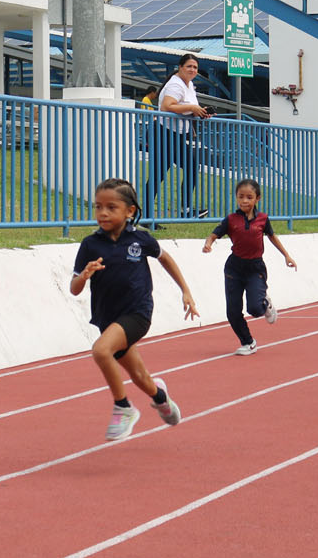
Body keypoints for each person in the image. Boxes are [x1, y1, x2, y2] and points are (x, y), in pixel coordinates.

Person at [71, 178, 198, 441]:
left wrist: (185, 291)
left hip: (138, 313)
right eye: (98, 207)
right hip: (108, 318)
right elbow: (74, 288)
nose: (102, 213)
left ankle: (124, 407)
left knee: (101, 350)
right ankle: (160, 398)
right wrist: (84, 275)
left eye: (111, 207)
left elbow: (166, 259)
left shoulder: (141, 239)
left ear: (129, 211)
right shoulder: (90, 244)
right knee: (139, 375)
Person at [202, 178, 297, 355]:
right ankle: (248, 342)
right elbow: (214, 235)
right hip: (234, 269)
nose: (244, 201)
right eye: (241, 197)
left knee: (254, 308)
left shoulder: (263, 219)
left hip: (255, 269)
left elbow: (272, 237)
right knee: (232, 312)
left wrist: (287, 255)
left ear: (257, 199)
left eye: (249, 197)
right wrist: (208, 244)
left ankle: (265, 303)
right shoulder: (231, 219)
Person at [143, 54, 210, 221]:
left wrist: (201, 112)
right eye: (189, 66)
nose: (192, 70)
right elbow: (167, 106)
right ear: (180, 67)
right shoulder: (175, 84)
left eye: (195, 67)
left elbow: (186, 108)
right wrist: (193, 107)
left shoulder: (190, 85)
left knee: (192, 166)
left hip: (178, 135)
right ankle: (147, 216)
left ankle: (186, 209)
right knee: (158, 173)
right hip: (164, 133)